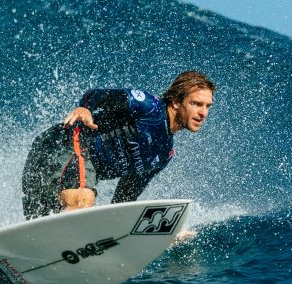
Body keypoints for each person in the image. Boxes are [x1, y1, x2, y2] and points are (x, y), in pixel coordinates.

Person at [22, 71, 215, 220]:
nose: (203, 113)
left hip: (59, 166)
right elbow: (99, 94)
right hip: (65, 143)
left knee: (43, 222)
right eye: (196, 104)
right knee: (82, 203)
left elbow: (124, 198)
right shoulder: (149, 107)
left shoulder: (164, 154)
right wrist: (85, 107)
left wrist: (154, 236)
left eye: (207, 106)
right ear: (175, 102)